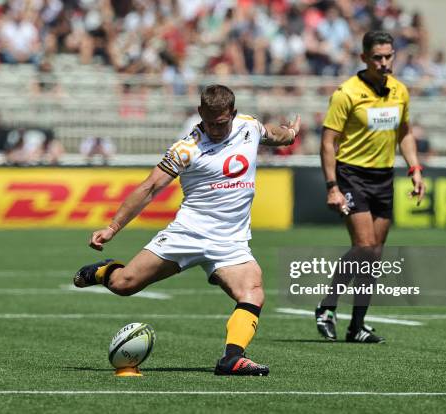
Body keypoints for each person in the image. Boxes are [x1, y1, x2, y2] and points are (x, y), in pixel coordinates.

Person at [73, 85, 300, 376]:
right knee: (124, 285)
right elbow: (149, 187)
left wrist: (290, 134)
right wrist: (113, 227)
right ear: (200, 112)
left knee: (253, 291)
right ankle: (104, 271)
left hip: (230, 241)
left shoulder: (248, 126)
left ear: (232, 113)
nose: (216, 129)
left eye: (222, 123)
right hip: (188, 233)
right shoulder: (186, 148)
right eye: (209, 122)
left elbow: (271, 134)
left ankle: (232, 358)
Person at [314, 31, 425, 343]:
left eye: (389, 56)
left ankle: (357, 326)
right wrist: (332, 186)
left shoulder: (400, 91)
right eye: (378, 57)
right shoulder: (346, 93)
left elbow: (404, 132)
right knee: (363, 247)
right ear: (363, 58)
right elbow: (327, 142)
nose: (384, 62)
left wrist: (414, 168)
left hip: (384, 177)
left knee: (374, 254)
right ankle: (327, 306)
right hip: (352, 175)